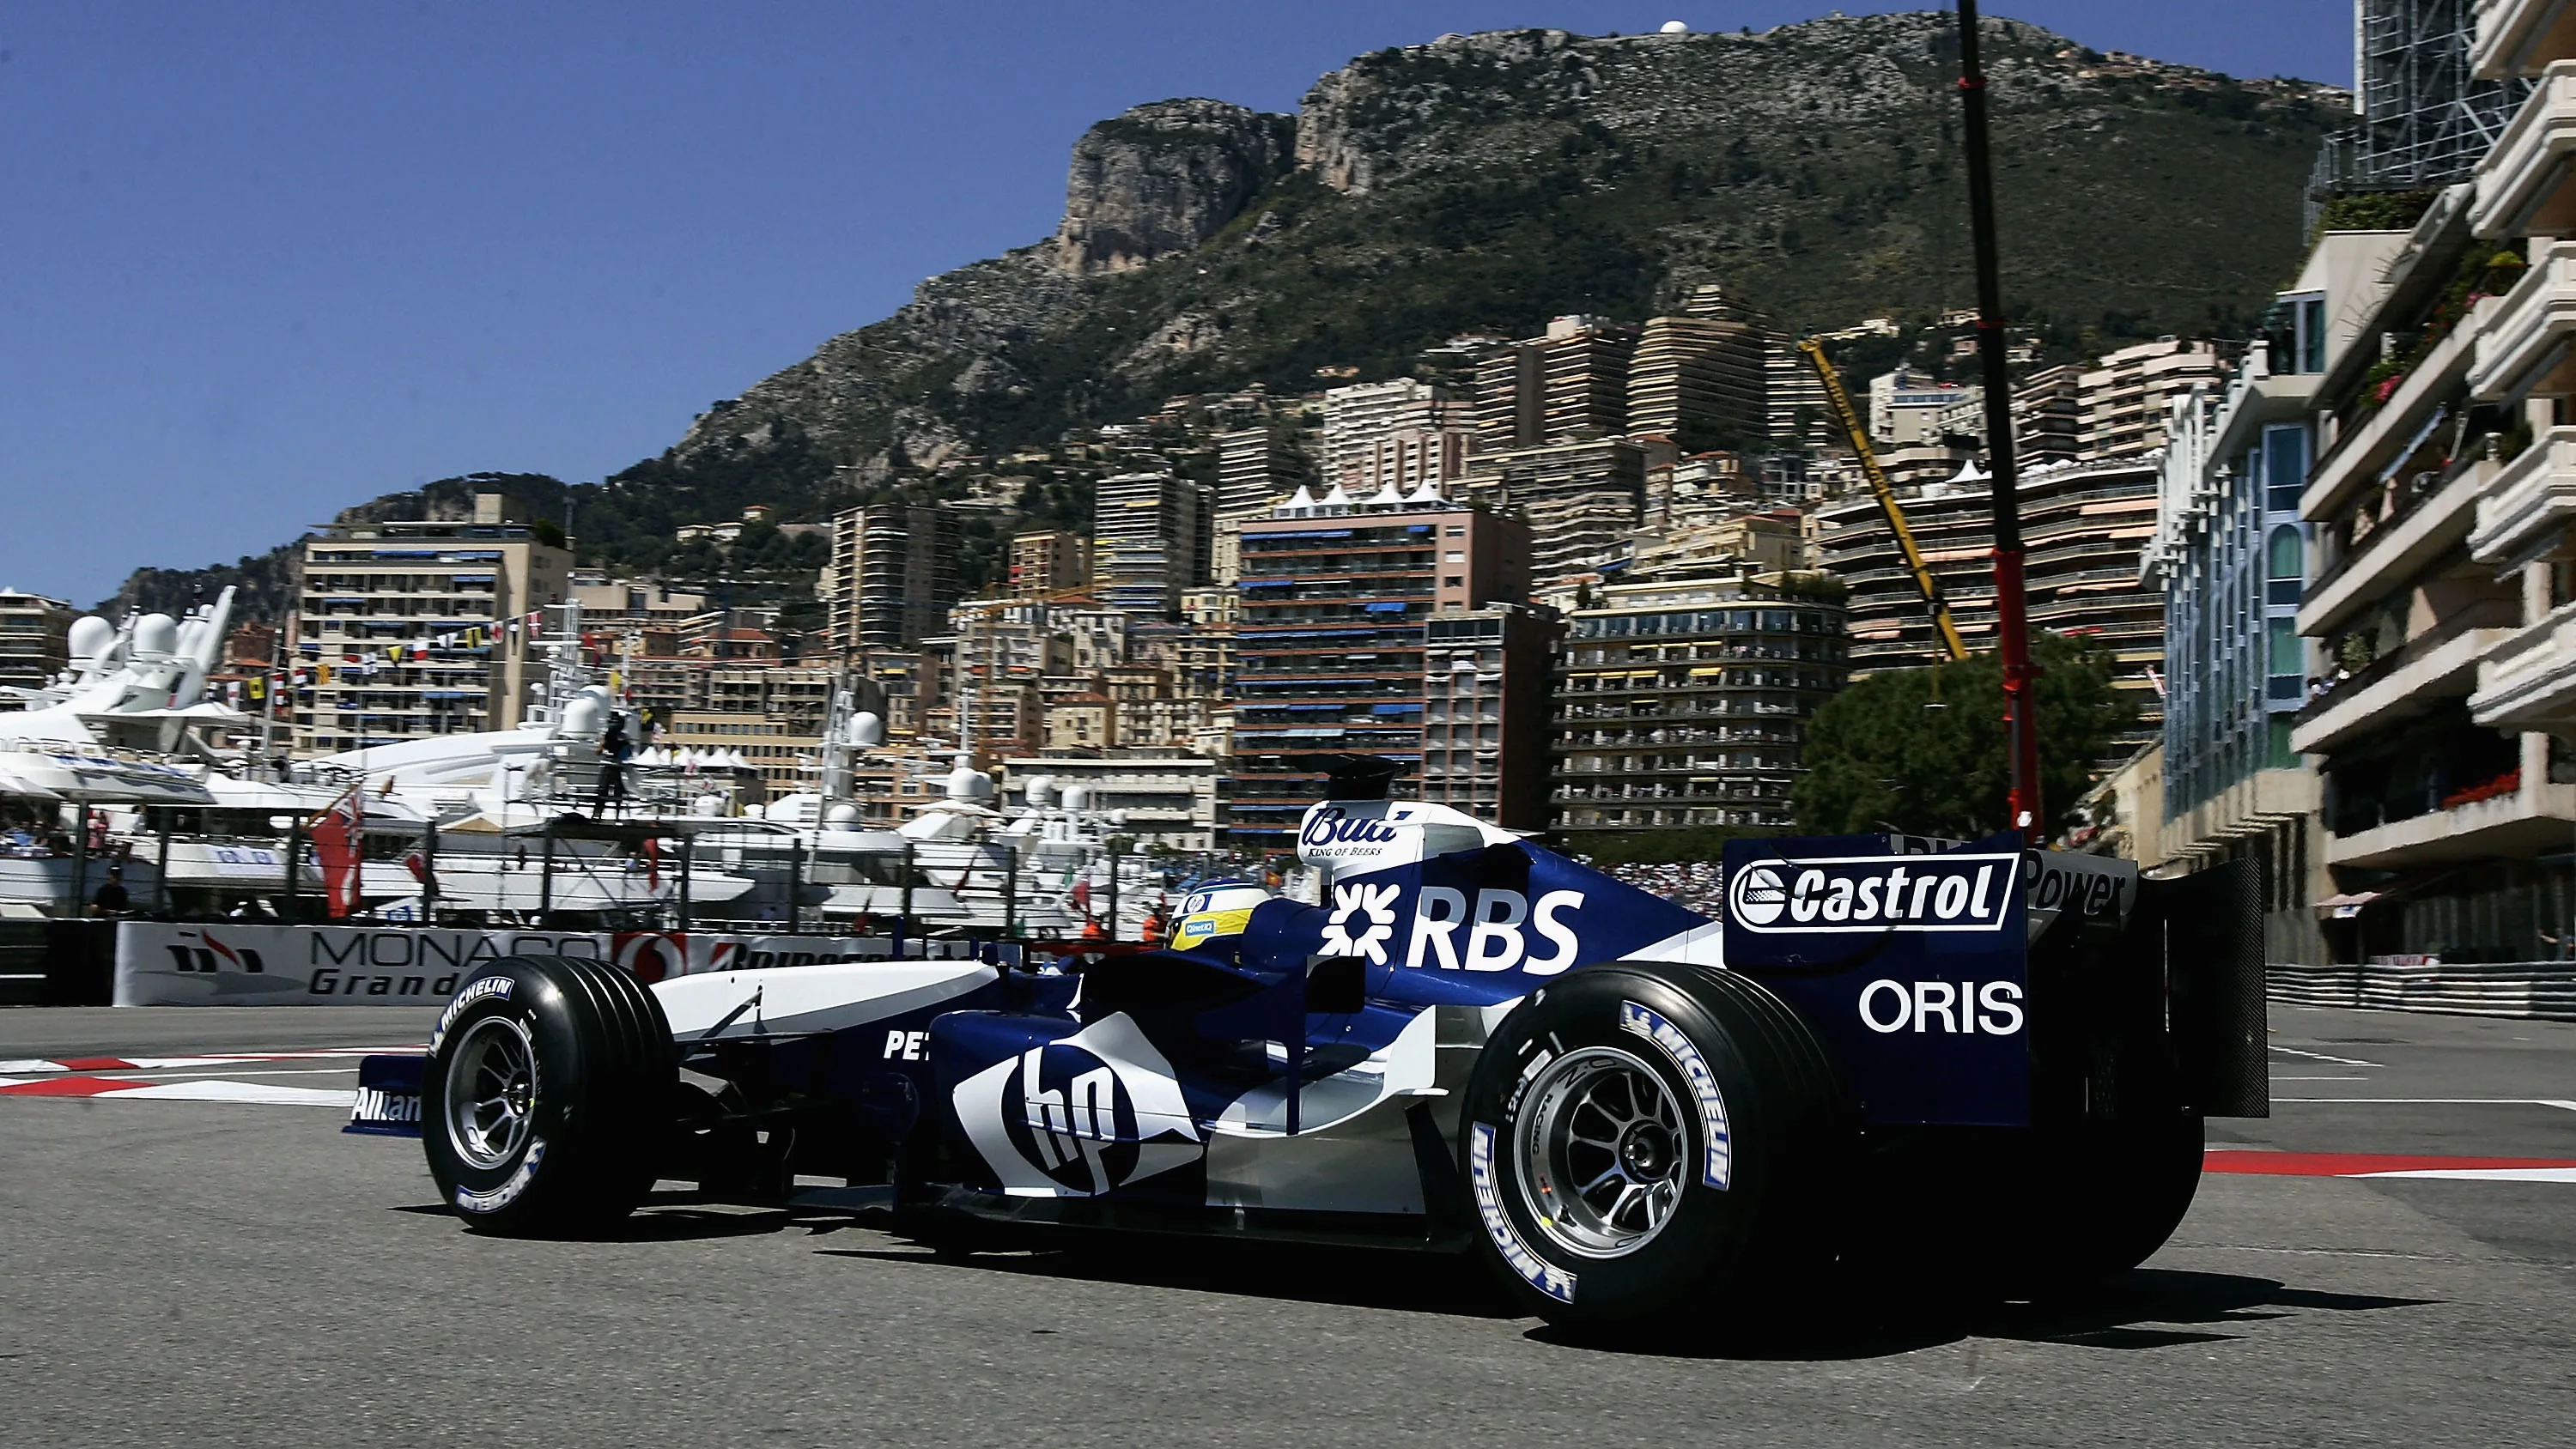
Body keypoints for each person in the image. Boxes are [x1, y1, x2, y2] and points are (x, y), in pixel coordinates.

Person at [593, 713, 632, 816]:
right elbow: (628, 754)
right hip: (615, 766)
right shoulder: (623, 737)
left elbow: (598, 752)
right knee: (612, 791)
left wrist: (605, 744)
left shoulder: (609, 736)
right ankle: (613, 816)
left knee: (605, 791)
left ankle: (597, 815)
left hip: (610, 766)